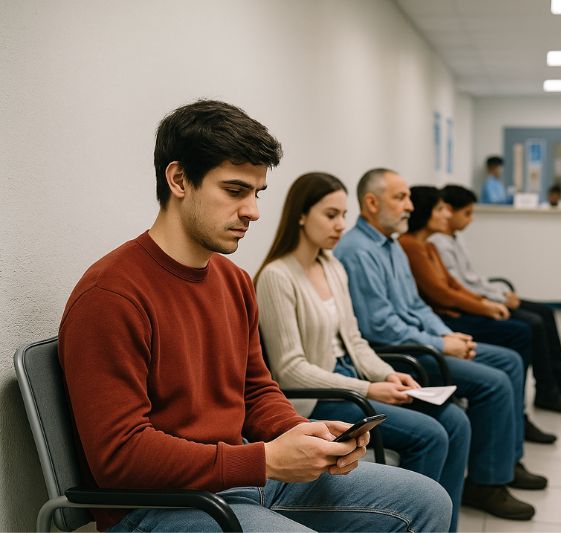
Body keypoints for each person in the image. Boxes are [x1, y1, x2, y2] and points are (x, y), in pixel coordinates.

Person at [58, 100, 451, 533]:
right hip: (158, 504)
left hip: (240, 478)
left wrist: (305, 435)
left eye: (257, 193)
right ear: (178, 179)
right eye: (234, 191)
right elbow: (119, 457)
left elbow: (256, 390)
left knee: (428, 500)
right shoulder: (111, 295)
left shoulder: (233, 280)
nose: (253, 211)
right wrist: (262, 459)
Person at [253, 172, 470, 531]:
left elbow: (355, 341)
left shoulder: (332, 266)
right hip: (320, 396)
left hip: (353, 381)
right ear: (301, 215)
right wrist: (369, 389)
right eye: (330, 215)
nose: (341, 225)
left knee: (455, 421)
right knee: (430, 435)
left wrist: (386, 374)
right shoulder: (277, 276)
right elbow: (290, 369)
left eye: (343, 215)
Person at [335, 168, 550, 522]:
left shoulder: (392, 244)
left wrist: (446, 337)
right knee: (494, 382)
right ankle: (488, 482)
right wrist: (439, 343)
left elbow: (416, 307)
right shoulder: (359, 251)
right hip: (397, 354)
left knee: (509, 361)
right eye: (400, 198)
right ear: (371, 204)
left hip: (422, 343)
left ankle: (505, 464)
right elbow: (381, 326)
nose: (409, 206)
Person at [398, 185, 561, 415]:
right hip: (446, 318)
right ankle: (525, 408)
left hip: (450, 313)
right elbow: (442, 294)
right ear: (425, 212)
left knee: (537, 318)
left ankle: (550, 387)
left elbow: (454, 285)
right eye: (440, 209)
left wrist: (486, 304)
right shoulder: (412, 246)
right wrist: (485, 307)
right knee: (524, 329)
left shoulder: (428, 245)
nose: (446, 214)